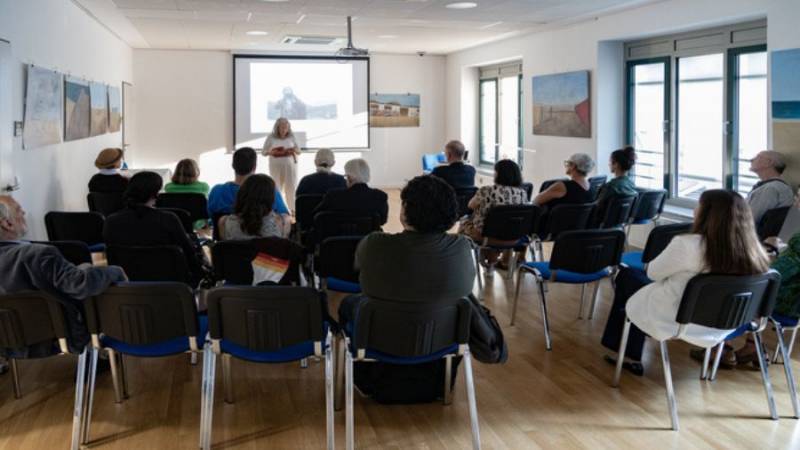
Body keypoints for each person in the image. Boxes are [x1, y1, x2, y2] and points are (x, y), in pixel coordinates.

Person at [337, 175, 475, 403]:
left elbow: (358, 269)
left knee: (349, 304)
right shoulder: (462, 247)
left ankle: (363, 374)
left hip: (384, 337)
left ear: (405, 210)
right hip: (441, 341)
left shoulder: (375, 244)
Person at [601, 190, 770, 375]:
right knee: (633, 279)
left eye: (699, 204)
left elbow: (653, 273)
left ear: (707, 214)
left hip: (679, 319)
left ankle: (626, 352)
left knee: (628, 276)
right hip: (726, 323)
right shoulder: (753, 250)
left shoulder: (687, 245)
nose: (695, 209)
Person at [0, 195, 127, 358]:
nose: (24, 212)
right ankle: (100, 352)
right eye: (18, 210)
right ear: (7, 224)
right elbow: (81, 285)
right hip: (56, 337)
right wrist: (114, 271)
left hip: (7, 343)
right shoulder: (38, 254)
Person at [104, 171, 206, 284]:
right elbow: (189, 253)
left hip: (127, 282)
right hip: (171, 284)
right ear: (156, 194)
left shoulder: (111, 221)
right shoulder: (168, 219)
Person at [207, 147, 289, 218]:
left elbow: (210, 217)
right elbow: (284, 217)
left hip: (225, 236)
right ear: (255, 167)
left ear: (233, 165)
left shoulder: (216, 191)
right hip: (263, 236)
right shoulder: (269, 191)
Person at [459, 159, 527, 242]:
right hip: (512, 236)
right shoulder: (522, 193)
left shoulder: (486, 190)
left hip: (484, 235)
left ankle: (461, 253)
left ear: (499, 174)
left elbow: (470, 205)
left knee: (464, 220)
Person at [314, 159, 389, 226]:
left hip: (335, 240)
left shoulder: (333, 195)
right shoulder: (380, 196)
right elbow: (382, 221)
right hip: (368, 240)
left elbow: (316, 216)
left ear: (349, 178)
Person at [219, 174, 290, 240]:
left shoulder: (224, 222)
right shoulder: (282, 222)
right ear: (271, 199)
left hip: (238, 253)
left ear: (241, 194)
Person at [262, 118, 300, 211]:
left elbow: (299, 151)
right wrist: (272, 152)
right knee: (276, 188)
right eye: (282, 127)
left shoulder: (292, 137)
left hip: (290, 168)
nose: (284, 130)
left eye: (286, 128)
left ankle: (293, 211)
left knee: (290, 188)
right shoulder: (271, 137)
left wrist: (292, 150)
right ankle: (278, 210)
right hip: (275, 168)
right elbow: (263, 152)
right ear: (277, 127)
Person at [747, 150, 794, 225]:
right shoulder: (776, 186)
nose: (751, 160)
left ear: (769, 162)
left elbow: (750, 219)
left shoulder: (770, 189)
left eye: (758, 157)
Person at [595, 146, 638, 221]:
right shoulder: (631, 184)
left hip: (602, 224)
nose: (609, 164)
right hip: (619, 225)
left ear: (616, 164)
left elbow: (597, 208)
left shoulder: (610, 186)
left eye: (610, 162)